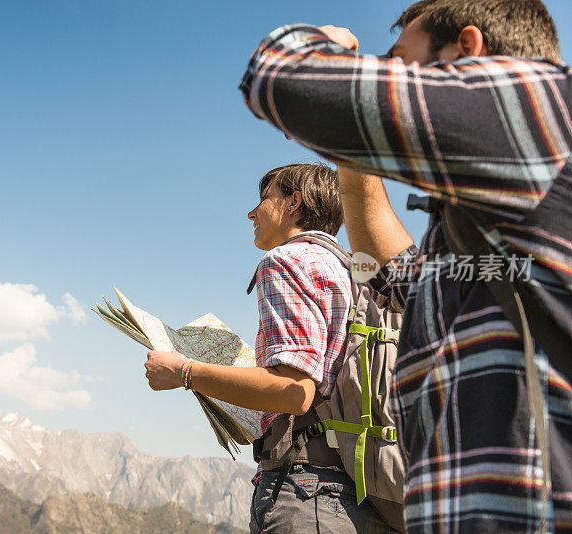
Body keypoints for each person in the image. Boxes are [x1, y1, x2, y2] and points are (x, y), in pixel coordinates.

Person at [239, 0, 572, 532]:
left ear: (469, 51)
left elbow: (278, 77)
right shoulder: (498, 232)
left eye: (401, 61)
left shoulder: (539, 103)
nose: (391, 77)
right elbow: (392, 271)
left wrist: (331, 49)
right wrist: (351, 146)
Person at [144, 163, 393, 532]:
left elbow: (294, 392)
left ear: (294, 203)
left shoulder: (286, 261)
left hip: (311, 494)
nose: (252, 212)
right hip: (368, 490)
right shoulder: (363, 277)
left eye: (264, 198)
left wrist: (185, 372)